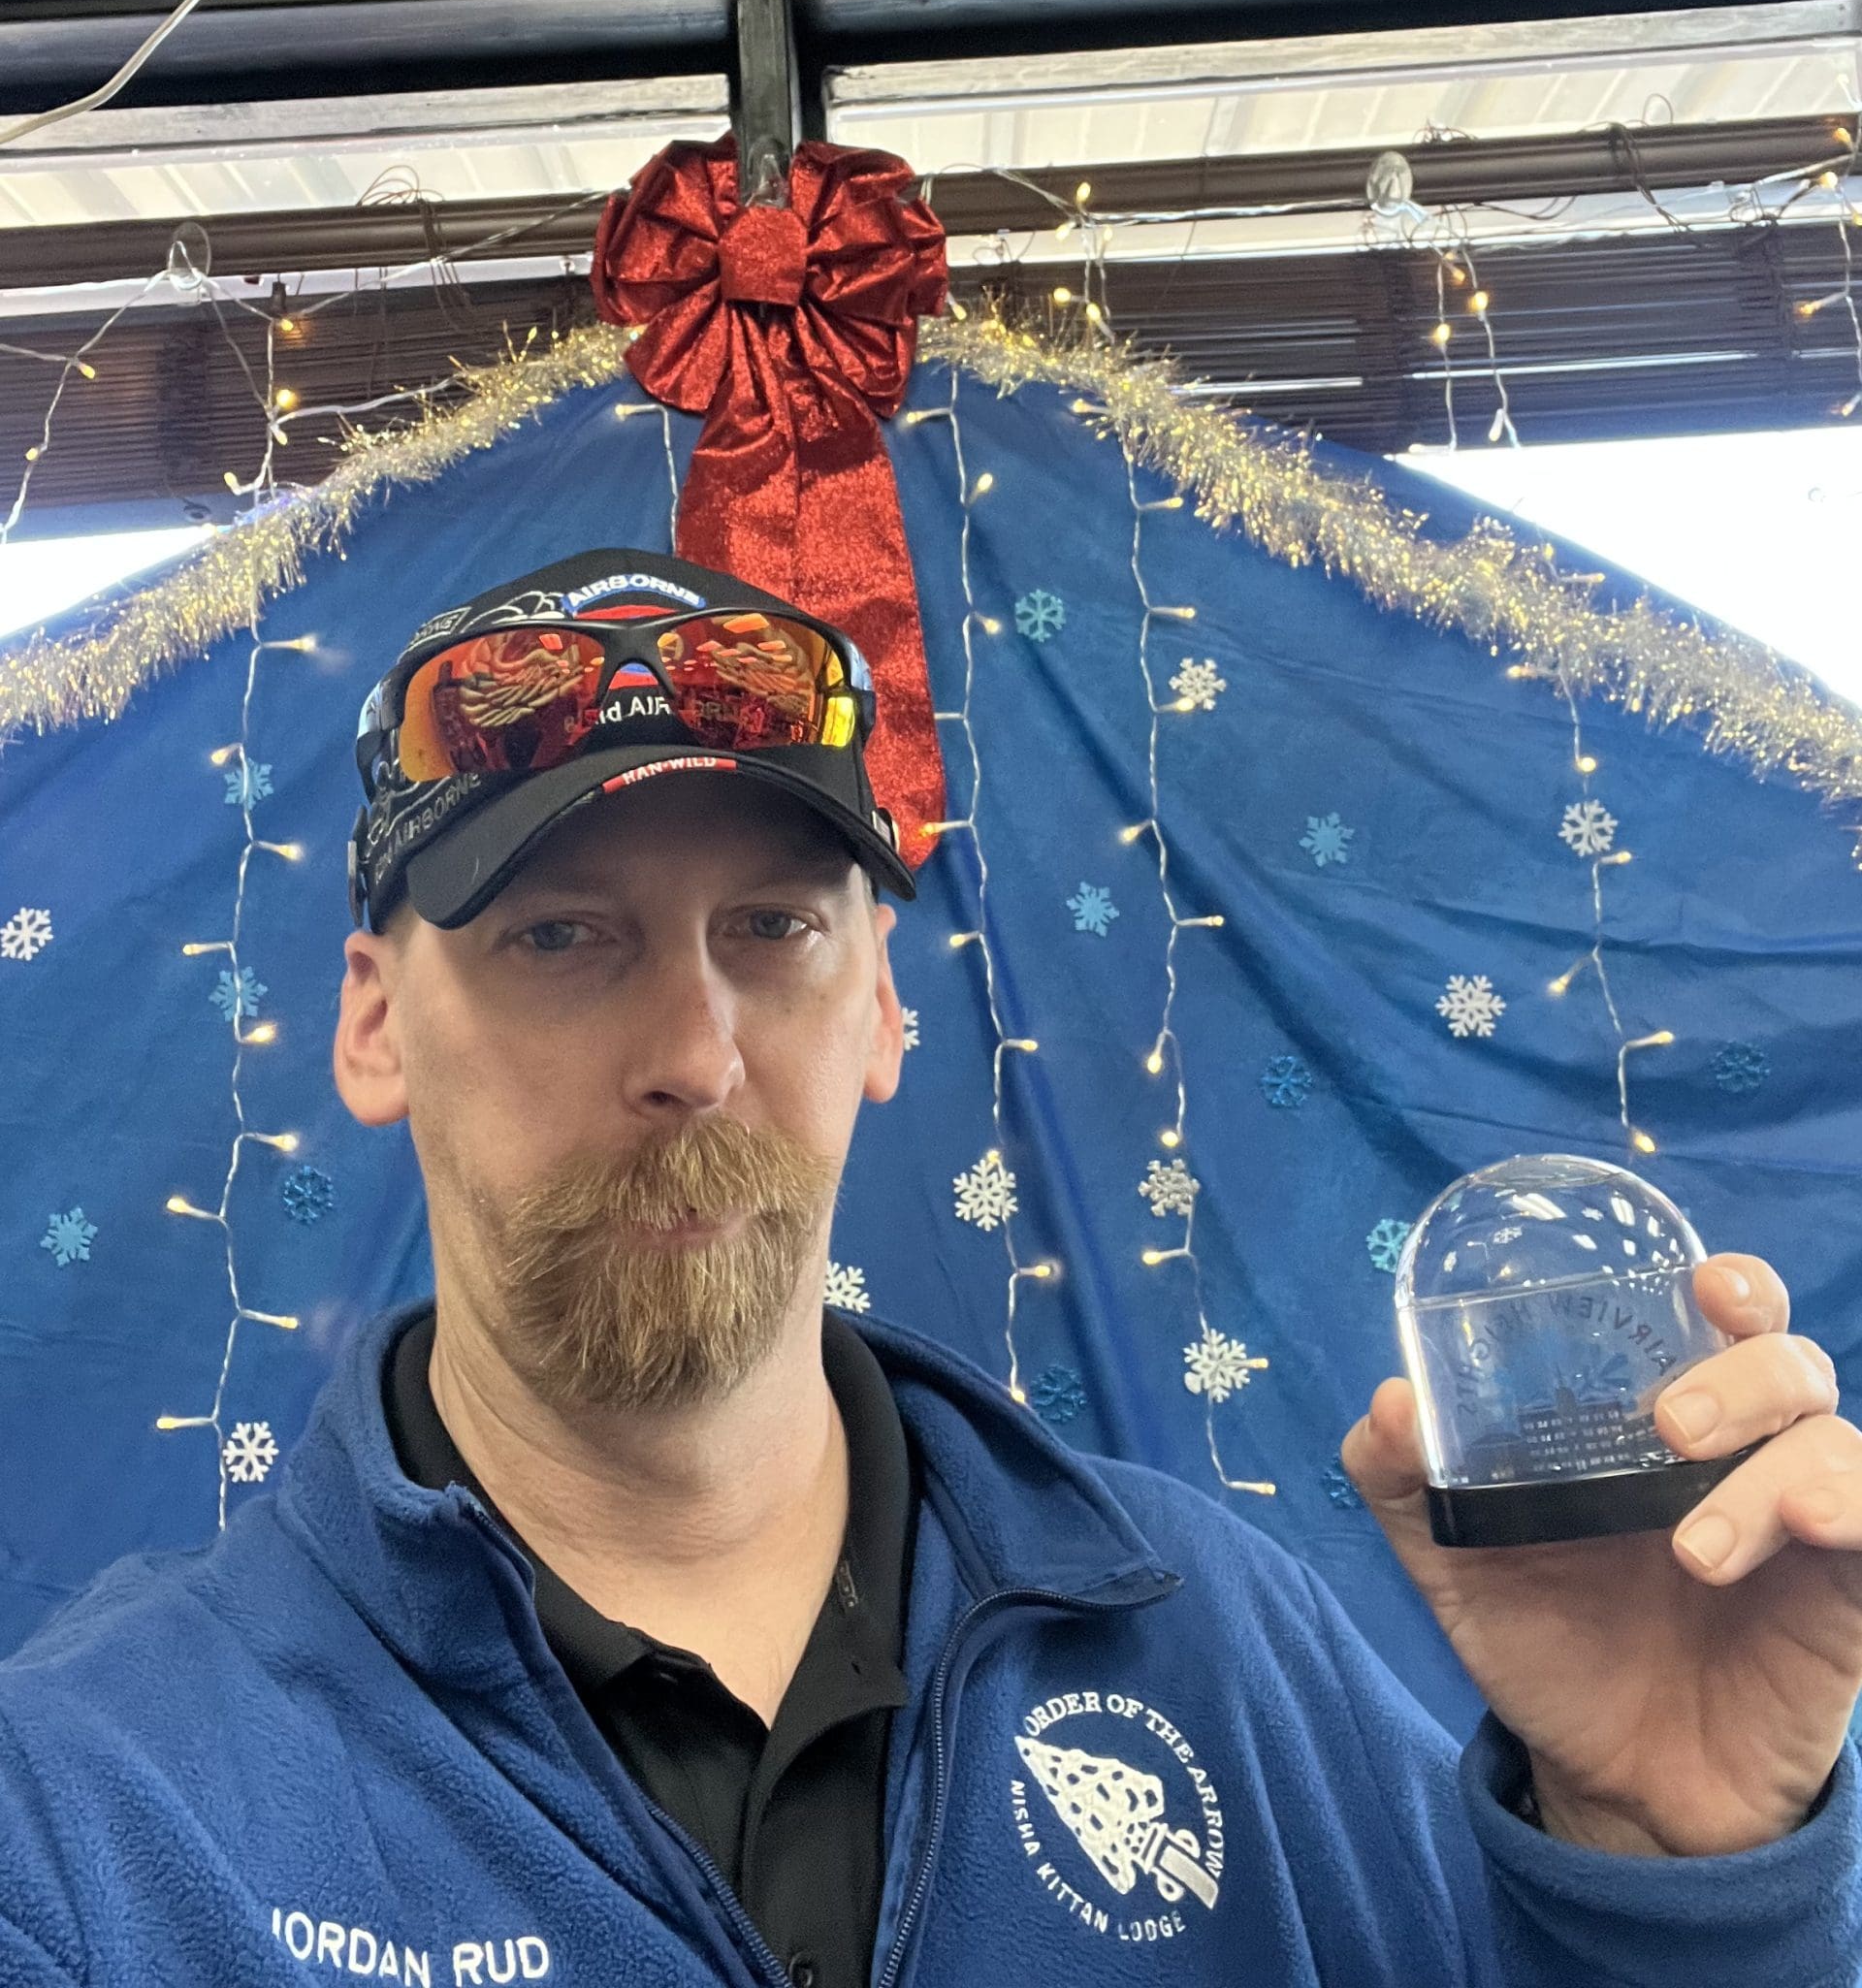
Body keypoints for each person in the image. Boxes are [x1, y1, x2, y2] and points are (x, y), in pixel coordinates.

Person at [1, 544, 1858, 1988]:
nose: (696, 1055)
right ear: (373, 1023)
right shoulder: (92, 1821)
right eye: (561, 937)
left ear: (886, 1007)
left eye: (772, 930)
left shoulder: (1220, 1644)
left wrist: (1670, 1871)